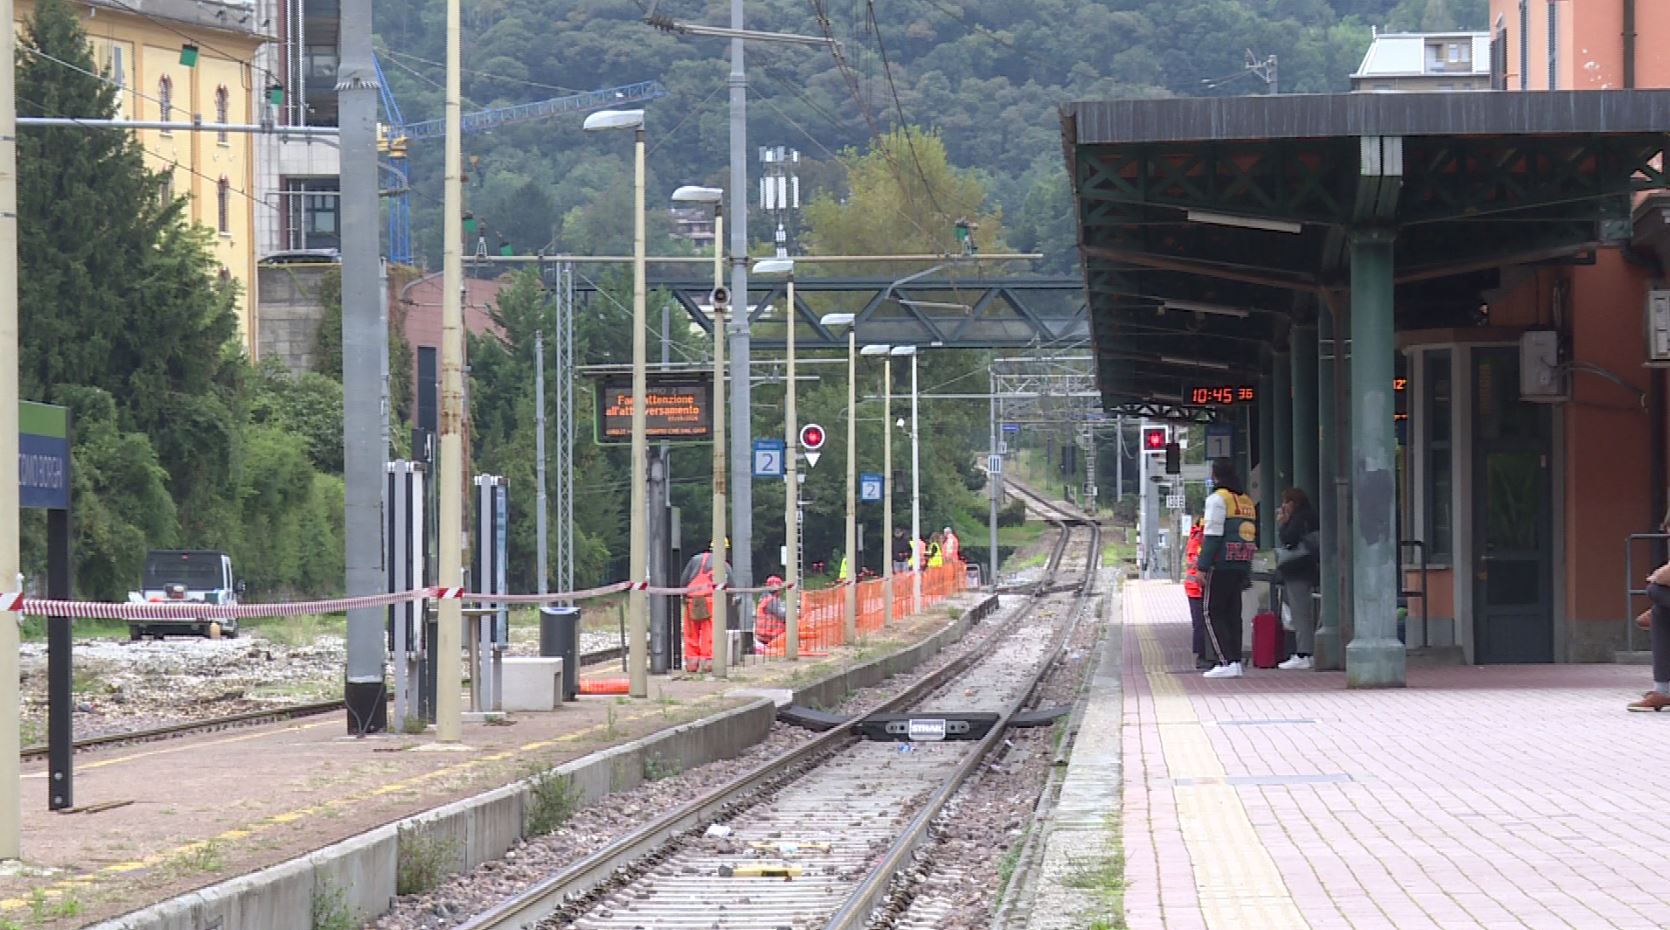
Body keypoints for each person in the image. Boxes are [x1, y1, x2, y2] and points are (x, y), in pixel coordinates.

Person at [1197, 457, 1257, 679]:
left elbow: (1212, 536)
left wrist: (1202, 566)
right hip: (1241, 562)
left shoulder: (1217, 500)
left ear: (1215, 476)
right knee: (1233, 614)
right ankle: (1235, 661)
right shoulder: (1246, 502)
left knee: (1211, 611)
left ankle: (1224, 660)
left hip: (1220, 563)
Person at [1275, 488, 1321, 670]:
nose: (1284, 506)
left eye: (1286, 502)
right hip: (1309, 567)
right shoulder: (1311, 517)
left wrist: (1283, 523)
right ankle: (1306, 651)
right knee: (1304, 612)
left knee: (1300, 612)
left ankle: (1304, 653)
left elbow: (1289, 540)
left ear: (1294, 503)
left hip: (1297, 569)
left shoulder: (1299, 519)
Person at [680, 542, 729, 673]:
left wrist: (684, 596)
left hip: (692, 600)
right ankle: (708, 662)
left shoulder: (695, 559)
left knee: (691, 632)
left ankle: (691, 663)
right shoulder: (723, 564)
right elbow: (731, 585)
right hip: (711, 601)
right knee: (709, 632)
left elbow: (683, 581)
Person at [1183, 519, 1208, 670]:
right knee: (1201, 624)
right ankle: (1203, 656)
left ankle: (1202, 655)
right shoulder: (1201, 538)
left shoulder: (1195, 536)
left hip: (1194, 587)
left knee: (1199, 623)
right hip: (1198, 587)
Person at [755, 575, 787, 651]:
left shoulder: (764, 599)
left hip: (763, 635)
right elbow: (783, 615)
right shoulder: (771, 600)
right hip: (771, 636)